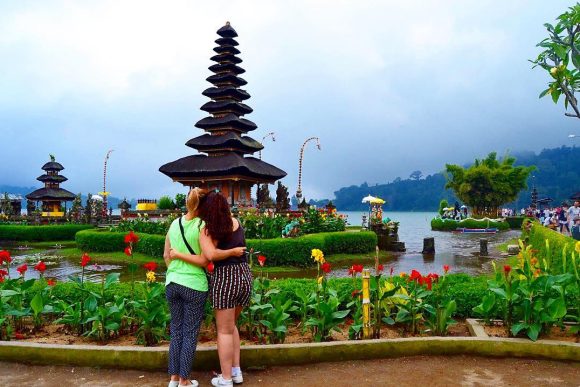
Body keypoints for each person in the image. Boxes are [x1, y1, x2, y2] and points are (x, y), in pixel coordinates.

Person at [164, 188, 243, 387]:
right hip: (194, 285)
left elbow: (166, 255)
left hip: (172, 282)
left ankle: (173, 379)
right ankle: (184, 380)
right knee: (190, 332)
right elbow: (205, 258)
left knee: (176, 330)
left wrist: (176, 271)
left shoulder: (174, 223)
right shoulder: (203, 226)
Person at [200, 191, 251, 387]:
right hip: (244, 276)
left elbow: (211, 254)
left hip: (225, 278)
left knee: (223, 331)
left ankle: (226, 378)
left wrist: (229, 251)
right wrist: (235, 251)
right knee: (231, 327)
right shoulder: (236, 222)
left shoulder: (207, 229)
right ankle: (236, 371)